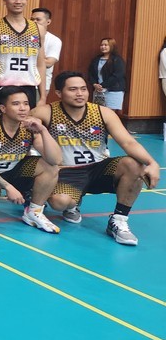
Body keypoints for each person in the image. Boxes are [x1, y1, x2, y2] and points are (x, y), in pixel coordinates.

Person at [30, 71, 160, 245]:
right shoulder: (45, 112)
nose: (80, 94)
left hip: (98, 169)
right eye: (73, 89)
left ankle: (119, 220)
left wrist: (152, 162)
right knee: (60, 202)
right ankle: (73, 204)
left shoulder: (103, 113)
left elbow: (128, 142)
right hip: (67, 173)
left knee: (134, 165)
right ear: (59, 93)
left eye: (83, 89)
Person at [0, 86, 61, 233]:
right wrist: (8, 187)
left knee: (50, 167)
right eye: (16, 104)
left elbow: (56, 159)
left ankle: (34, 212)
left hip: (15, 170)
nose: (23, 108)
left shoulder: (29, 127)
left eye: (26, 104)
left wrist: (43, 130)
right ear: (3, 108)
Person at [0, 0, 46, 116]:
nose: (18, 2)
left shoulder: (38, 29)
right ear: (5, 0)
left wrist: (43, 97)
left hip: (28, 87)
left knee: (25, 126)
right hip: (0, 87)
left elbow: (40, 64)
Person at [88, 38, 127, 114]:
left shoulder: (117, 60)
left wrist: (102, 85)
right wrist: (94, 84)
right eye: (101, 45)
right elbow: (91, 73)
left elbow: (117, 75)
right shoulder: (96, 59)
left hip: (113, 91)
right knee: (98, 113)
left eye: (106, 45)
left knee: (109, 114)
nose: (103, 47)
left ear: (112, 46)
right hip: (98, 91)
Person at [30, 8, 62, 92]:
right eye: (32, 19)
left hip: (40, 85)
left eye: (38, 19)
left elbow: (49, 63)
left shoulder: (54, 40)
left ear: (48, 22)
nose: (34, 22)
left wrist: (27, 58)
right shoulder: (24, 37)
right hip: (20, 82)